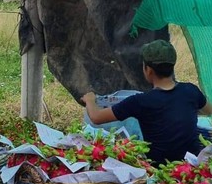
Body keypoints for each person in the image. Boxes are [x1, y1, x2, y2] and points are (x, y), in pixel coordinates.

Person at [82, 39, 212, 165]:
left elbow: (96, 117)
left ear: (148, 70)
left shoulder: (140, 101)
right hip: (193, 165)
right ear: (172, 65)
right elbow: (209, 110)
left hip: (161, 170)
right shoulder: (191, 91)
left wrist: (90, 100)